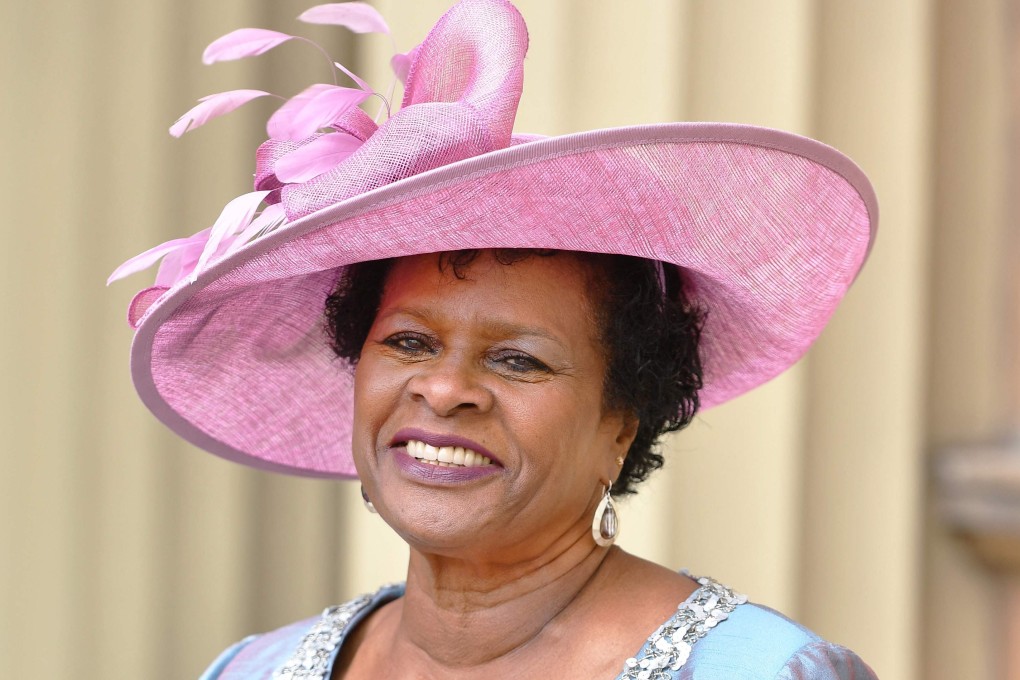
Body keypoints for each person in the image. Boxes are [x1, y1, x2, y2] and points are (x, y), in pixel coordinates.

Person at [109, 1, 879, 678]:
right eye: (409, 343)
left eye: (519, 360)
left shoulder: (763, 674)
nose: (443, 390)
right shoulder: (252, 670)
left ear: (622, 418)